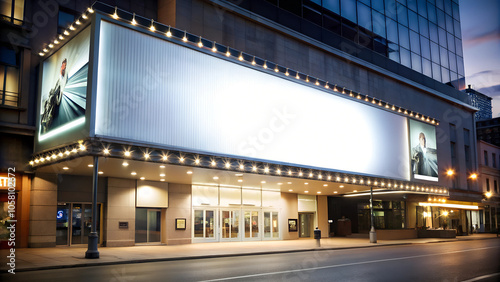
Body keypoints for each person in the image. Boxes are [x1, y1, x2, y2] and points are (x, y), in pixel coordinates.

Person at [40, 58, 68, 133]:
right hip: (50, 103)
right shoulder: (59, 78)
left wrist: (55, 97)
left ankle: (46, 130)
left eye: (63, 66)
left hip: (53, 104)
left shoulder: (63, 78)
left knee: (48, 121)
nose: (62, 67)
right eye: (62, 65)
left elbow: (59, 98)